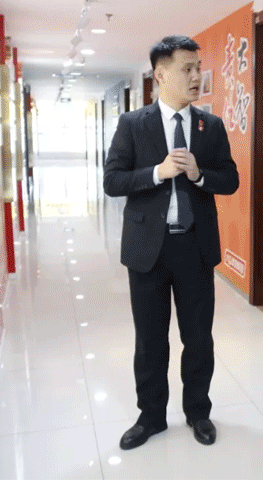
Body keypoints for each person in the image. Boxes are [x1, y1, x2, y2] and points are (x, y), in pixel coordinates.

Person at [103, 35, 239, 450]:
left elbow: (230, 179)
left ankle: (198, 411)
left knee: (198, 338)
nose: (197, 76)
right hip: (148, 250)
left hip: (194, 248)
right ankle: (151, 417)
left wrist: (199, 175)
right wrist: (157, 173)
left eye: (198, 68)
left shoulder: (210, 126)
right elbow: (113, 180)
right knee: (150, 340)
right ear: (161, 75)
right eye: (187, 69)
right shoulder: (133, 124)